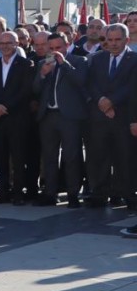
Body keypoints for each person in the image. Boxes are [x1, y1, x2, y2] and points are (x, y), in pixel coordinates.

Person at [34, 31, 89, 207]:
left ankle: (73, 194)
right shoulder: (43, 63)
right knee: (49, 156)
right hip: (48, 115)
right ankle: (50, 193)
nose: (54, 51)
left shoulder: (79, 61)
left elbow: (80, 82)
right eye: (51, 48)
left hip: (69, 116)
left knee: (71, 156)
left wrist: (63, 64)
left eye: (58, 47)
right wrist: (42, 74)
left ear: (67, 45)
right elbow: (35, 90)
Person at [83, 24, 134, 210]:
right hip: (99, 117)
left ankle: (127, 194)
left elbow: (132, 87)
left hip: (123, 117)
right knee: (99, 157)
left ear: (126, 40)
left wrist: (112, 101)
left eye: (117, 40)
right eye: (110, 40)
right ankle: (99, 194)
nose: (113, 44)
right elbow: (91, 83)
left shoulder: (134, 59)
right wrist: (101, 101)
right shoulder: (98, 59)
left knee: (124, 158)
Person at [0, 31, 34, 205]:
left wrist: (6, 106)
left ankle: (18, 193)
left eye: (9, 43)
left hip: (17, 118)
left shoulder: (26, 64)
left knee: (18, 158)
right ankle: (2, 192)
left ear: (16, 44)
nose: (4, 46)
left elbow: (25, 90)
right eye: (2, 43)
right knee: (0, 157)